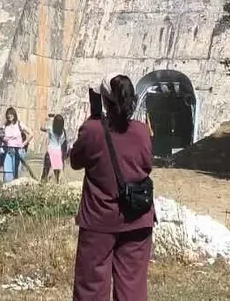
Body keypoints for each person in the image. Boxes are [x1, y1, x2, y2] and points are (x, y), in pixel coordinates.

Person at [71, 74, 153, 301]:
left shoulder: (92, 130)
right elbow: (147, 164)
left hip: (99, 218)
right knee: (132, 287)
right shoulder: (142, 131)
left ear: (104, 100)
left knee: (92, 286)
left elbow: (75, 161)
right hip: (138, 216)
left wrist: (93, 118)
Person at [1, 107, 30, 183]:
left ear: (14, 114)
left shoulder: (19, 124)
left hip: (17, 151)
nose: (9, 116)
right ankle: (8, 187)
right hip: (8, 151)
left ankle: (16, 188)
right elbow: (2, 136)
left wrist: (23, 144)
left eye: (11, 114)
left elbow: (31, 133)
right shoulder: (5, 126)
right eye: (8, 114)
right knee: (7, 173)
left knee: (16, 173)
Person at [41, 114, 69, 183]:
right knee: (56, 175)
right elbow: (64, 143)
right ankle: (56, 184)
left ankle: (42, 184)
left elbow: (41, 128)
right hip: (58, 152)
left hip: (50, 151)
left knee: (45, 172)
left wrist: (47, 120)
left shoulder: (50, 129)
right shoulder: (63, 132)